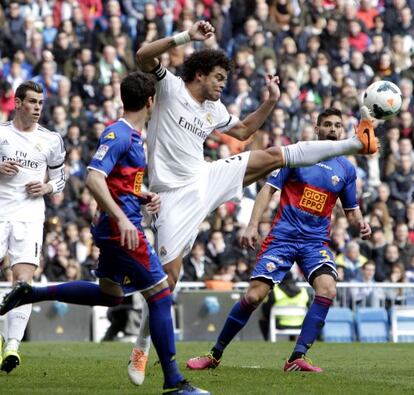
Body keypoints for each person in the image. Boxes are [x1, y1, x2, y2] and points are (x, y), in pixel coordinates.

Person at [131, 20, 378, 383]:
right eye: (218, 78)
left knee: (275, 155)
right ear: (199, 74)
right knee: (167, 280)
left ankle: (355, 143)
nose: (222, 85)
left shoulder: (213, 110)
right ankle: (141, 345)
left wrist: (270, 102)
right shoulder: (169, 87)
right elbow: (141, 55)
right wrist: (186, 37)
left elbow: (244, 131)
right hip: (171, 195)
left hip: (205, 177)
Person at [0, 72, 209, 395]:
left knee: (112, 296)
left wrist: (142, 196)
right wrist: (123, 219)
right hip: (121, 229)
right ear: (150, 101)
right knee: (161, 294)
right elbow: (94, 179)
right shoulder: (120, 134)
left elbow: (118, 183)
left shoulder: (131, 136)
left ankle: (32, 293)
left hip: (114, 225)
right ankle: (173, 381)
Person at [186, 107, 372, 372]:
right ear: (316, 128)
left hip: (314, 243)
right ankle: (214, 354)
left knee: (328, 288)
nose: (333, 130)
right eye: (328, 125)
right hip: (282, 238)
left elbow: (352, 211)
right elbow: (268, 190)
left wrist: (361, 223)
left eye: (338, 126)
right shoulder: (297, 155)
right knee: (253, 296)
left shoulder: (346, 169)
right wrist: (252, 225)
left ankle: (297, 356)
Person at [0, 80, 66, 373]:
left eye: (40, 103)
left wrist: (46, 187)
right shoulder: (1, 133)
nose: (38, 108)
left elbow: (61, 179)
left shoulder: (51, 140)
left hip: (30, 217)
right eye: (32, 102)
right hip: (1, 213)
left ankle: (12, 346)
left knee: (23, 282)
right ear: (17, 103)